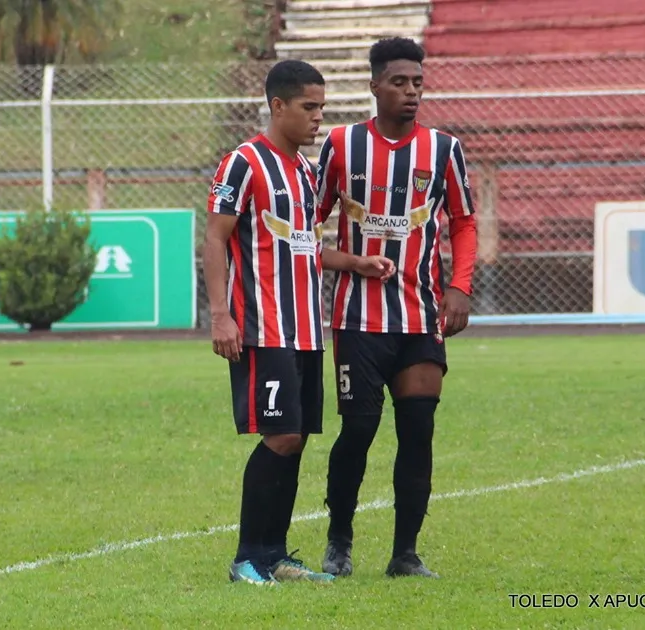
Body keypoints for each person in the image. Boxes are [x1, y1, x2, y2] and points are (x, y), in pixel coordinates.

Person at [203, 59, 396, 587]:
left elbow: (303, 247)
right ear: (278, 106)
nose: (318, 119)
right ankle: (247, 557)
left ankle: (274, 555)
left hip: (307, 329)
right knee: (281, 436)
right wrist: (220, 316)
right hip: (264, 328)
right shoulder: (243, 163)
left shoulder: (306, 174)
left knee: (298, 438)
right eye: (309, 108)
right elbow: (216, 238)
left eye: (323, 108)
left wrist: (357, 263)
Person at [314, 37, 478, 579]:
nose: (411, 92)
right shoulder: (340, 146)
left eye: (417, 83)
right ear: (374, 86)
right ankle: (339, 540)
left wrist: (459, 286)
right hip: (357, 319)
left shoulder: (444, 150)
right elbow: (306, 225)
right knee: (358, 430)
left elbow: (463, 222)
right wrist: (346, 262)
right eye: (399, 82)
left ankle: (405, 553)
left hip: (419, 317)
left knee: (418, 430)